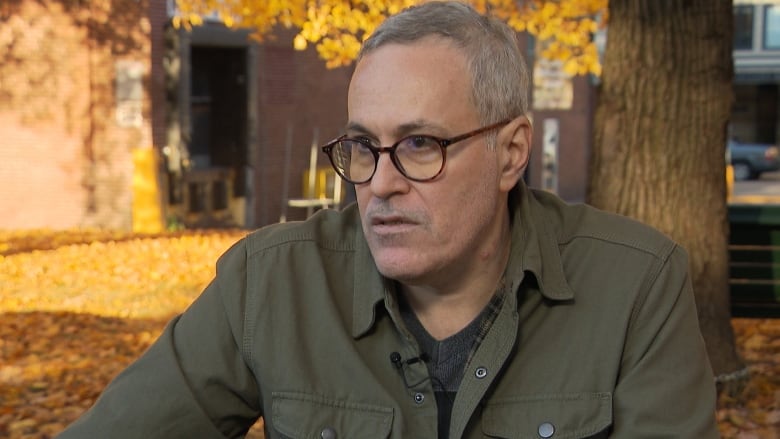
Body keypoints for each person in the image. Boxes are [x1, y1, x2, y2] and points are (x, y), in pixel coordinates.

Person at [58, 2, 719, 438]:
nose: (380, 184)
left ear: (512, 151)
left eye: (420, 145)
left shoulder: (635, 284)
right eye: (362, 148)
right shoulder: (270, 282)